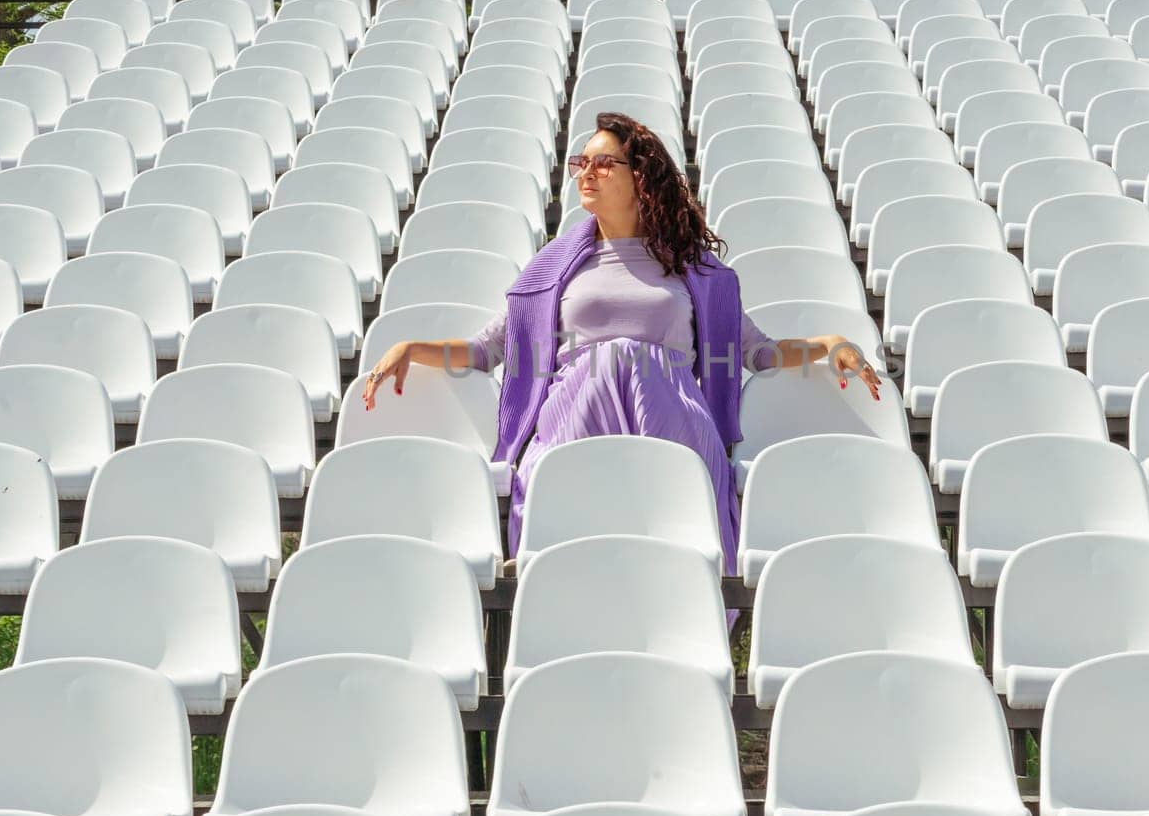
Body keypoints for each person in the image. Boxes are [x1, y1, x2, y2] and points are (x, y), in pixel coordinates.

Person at [362, 111, 881, 572]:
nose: (586, 173)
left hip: (672, 417)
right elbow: (487, 350)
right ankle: (558, 555)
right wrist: (413, 349)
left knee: (631, 358)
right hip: (574, 418)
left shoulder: (694, 270)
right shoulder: (555, 269)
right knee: (608, 362)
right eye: (580, 163)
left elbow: (757, 352)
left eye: (603, 163)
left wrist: (824, 343)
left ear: (642, 180)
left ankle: (668, 545)